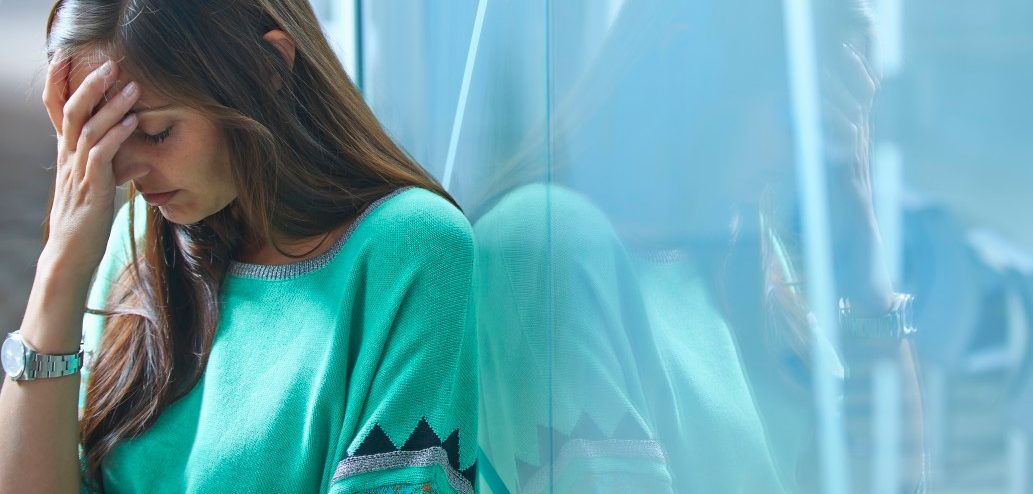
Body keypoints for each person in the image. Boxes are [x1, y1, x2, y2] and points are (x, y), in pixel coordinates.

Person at [0, 1, 477, 492]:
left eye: (154, 132)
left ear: (269, 67)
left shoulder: (412, 251)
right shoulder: (135, 237)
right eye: (97, 137)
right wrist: (60, 267)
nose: (124, 172)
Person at [469, 1, 925, 492]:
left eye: (830, 134)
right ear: (689, 60)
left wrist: (870, 278)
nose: (805, 160)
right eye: (793, 117)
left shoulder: (749, 267)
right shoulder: (547, 243)